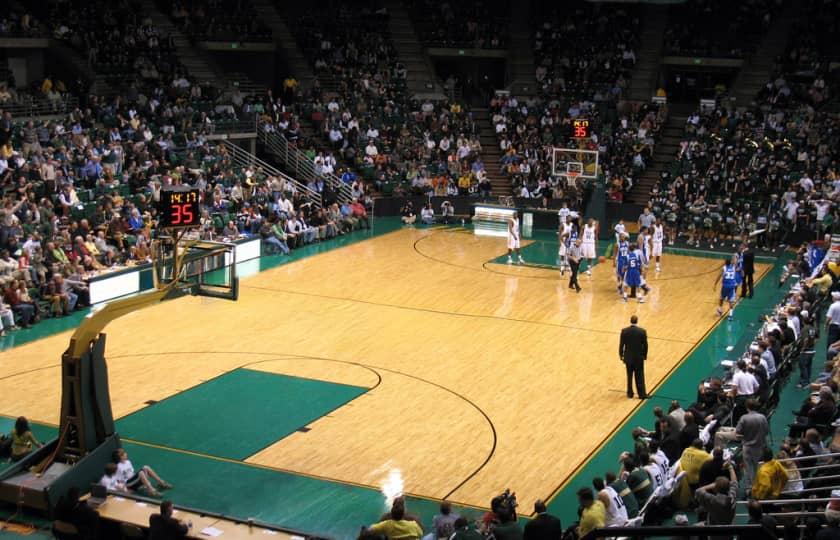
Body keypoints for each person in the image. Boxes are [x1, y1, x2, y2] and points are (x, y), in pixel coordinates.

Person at [695, 463, 738, 540]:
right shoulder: (732, 497)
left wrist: (712, 485)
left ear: (715, 489)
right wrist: (730, 467)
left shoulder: (712, 500)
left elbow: (698, 491)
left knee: (695, 527)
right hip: (729, 531)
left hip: (714, 533)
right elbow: (734, 482)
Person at [619, 315, 648, 399]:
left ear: (630, 321)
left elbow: (621, 345)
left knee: (629, 375)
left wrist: (621, 355)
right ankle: (641, 394)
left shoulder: (624, 331)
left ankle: (630, 393)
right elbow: (645, 345)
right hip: (638, 358)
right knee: (639, 376)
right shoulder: (642, 331)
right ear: (637, 321)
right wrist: (645, 355)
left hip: (628, 358)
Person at [713, 254, 740, 320]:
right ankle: (730, 316)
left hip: (725, 286)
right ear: (730, 262)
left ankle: (720, 311)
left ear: (725, 263)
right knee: (731, 301)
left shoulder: (724, 268)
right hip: (732, 286)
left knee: (721, 298)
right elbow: (736, 262)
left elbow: (719, 276)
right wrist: (735, 257)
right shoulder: (733, 267)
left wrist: (715, 284)